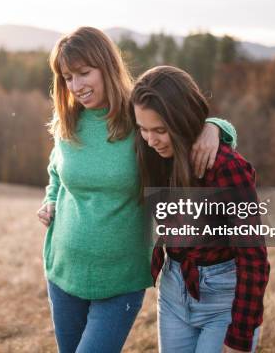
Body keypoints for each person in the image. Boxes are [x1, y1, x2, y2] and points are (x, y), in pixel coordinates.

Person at [36, 27, 238, 353]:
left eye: (84, 73)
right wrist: (50, 199)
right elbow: (56, 172)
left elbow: (185, 126)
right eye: (67, 78)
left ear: (107, 66)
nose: (76, 86)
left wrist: (215, 128)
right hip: (63, 270)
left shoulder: (138, 117)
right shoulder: (68, 121)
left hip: (121, 279)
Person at [130, 65, 270, 353]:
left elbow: (253, 256)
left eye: (159, 130)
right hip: (173, 290)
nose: (150, 139)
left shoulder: (226, 168)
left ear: (182, 121)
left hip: (223, 299)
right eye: (143, 129)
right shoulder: (153, 154)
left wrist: (240, 336)